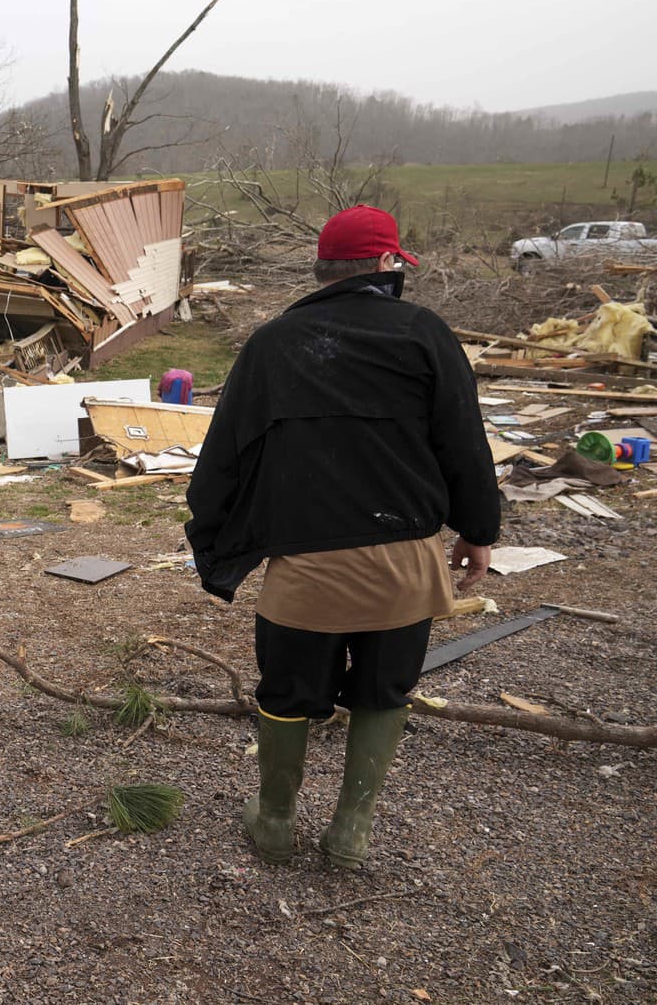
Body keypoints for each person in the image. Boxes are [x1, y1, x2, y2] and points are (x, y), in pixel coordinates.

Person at [185, 205, 500, 869]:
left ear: (322, 271)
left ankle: (274, 822)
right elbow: (464, 444)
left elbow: (222, 458)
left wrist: (211, 544)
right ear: (387, 265)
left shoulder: (274, 342)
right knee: (384, 693)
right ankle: (350, 832)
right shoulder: (423, 333)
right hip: (404, 569)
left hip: (305, 572)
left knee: (288, 694)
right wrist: (478, 530)